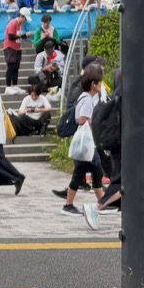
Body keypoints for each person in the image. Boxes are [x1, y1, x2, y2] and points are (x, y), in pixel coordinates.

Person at [55, 64, 106, 219]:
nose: (101, 86)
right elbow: (82, 119)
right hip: (86, 142)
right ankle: (69, 205)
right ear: (93, 85)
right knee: (88, 172)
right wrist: (95, 122)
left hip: (88, 143)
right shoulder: (87, 99)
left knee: (94, 172)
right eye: (99, 83)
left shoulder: (87, 97)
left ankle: (102, 203)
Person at [1, 10, 24, 88]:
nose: (25, 21)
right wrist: (22, 36)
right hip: (10, 47)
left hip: (17, 48)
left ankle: (15, 85)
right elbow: (10, 36)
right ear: (21, 16)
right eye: (25, 19)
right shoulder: (13, 23)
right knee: (11, 67)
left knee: (16, 67)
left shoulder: (19, 24)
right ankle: (8, 86)